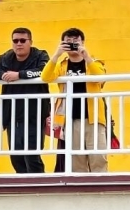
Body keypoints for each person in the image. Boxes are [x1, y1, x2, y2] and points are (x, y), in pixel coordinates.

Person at [40, 28, 109, 173]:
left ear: (83, 42)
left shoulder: (94, 62)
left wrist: (86, 57)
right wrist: (57, 54)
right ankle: (80, 185)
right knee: (76, 159)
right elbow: (45, 77)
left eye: (75, 41)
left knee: (98, 157)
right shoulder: (61, 65)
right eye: (68, 42)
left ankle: (101, 184)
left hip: (93, 118)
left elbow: (101, 78)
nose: (72, 44)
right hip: (70, 119)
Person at [0, 27, 51, 174]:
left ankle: (39, 183)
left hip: (34, 114)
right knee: (16, 156)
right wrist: (2, 75)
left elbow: (44, 71)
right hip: (12, 114)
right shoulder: (6, 58)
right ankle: (24, 183)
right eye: (15, 41)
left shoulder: (40, 55)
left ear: (30, 42)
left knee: (32, 155)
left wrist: (19, 75)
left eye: (22, 40)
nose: (19, 44)